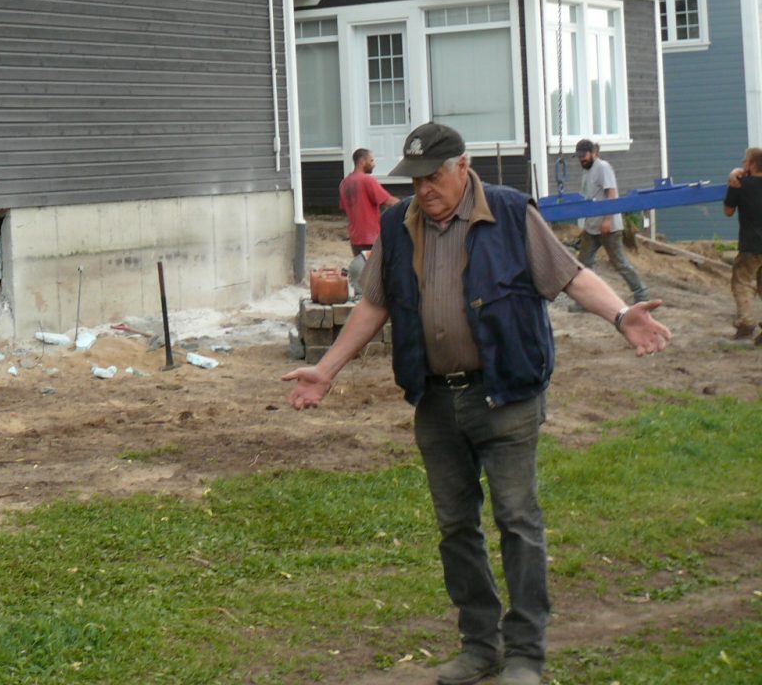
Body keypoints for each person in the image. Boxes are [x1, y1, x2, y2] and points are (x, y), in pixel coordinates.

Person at [283, 122, 671, 685]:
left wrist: (620, 316)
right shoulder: (397, 225)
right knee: (456, 528)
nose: (423, 189)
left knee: (517, 521)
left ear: (464, 167)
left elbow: (571, 276)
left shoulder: (511, 213)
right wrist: (326, 369)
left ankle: (525, 655)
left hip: (507, 394)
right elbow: (373, 306)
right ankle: (480, 646)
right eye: (414, 179)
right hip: (436, 402)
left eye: (433, 176)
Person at [572, 139, 648, 304]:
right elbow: (590, 199)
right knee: (583, 265)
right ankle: (587, 301)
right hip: (592, 228)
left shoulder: (603, 168)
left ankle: (641, 294)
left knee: (619, 263)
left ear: (593, 153)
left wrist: (607, 219)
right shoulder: (586, 171)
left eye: (583, 156)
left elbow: (611, 194)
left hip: (609, 227)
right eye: (578, 156)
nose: (581, 159)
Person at [722, 146, 762, 343]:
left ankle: (746, 326)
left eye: (745, 161)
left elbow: (728, 211)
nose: (742, 164)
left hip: (751, 245)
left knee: (742, 283)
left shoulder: (740, 185)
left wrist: (734, 178)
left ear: (752, 164)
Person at [340, 147, 396, 256]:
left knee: (362, 269)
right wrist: (411, 204)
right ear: (361, 161)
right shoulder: (367, 180)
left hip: (355, 238)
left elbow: (344, 207)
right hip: (371, 237)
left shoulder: (344, 183)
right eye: (371, 160)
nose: (374, 164)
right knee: (375, 270)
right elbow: (388, 200)